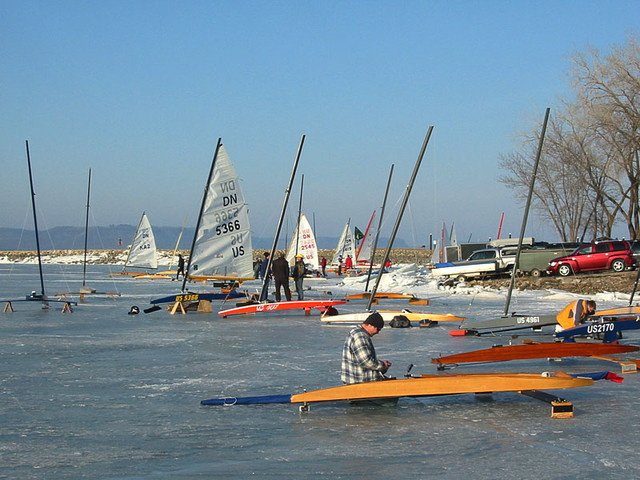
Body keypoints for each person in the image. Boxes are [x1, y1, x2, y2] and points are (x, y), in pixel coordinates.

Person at [341, 312, 391, 385]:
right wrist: (383, 365)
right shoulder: (361, 336)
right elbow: (366, 361)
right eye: (378, 329)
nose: (378, 332)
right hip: (360, 382)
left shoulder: (356, 332)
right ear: (370, 325)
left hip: (356, 380)